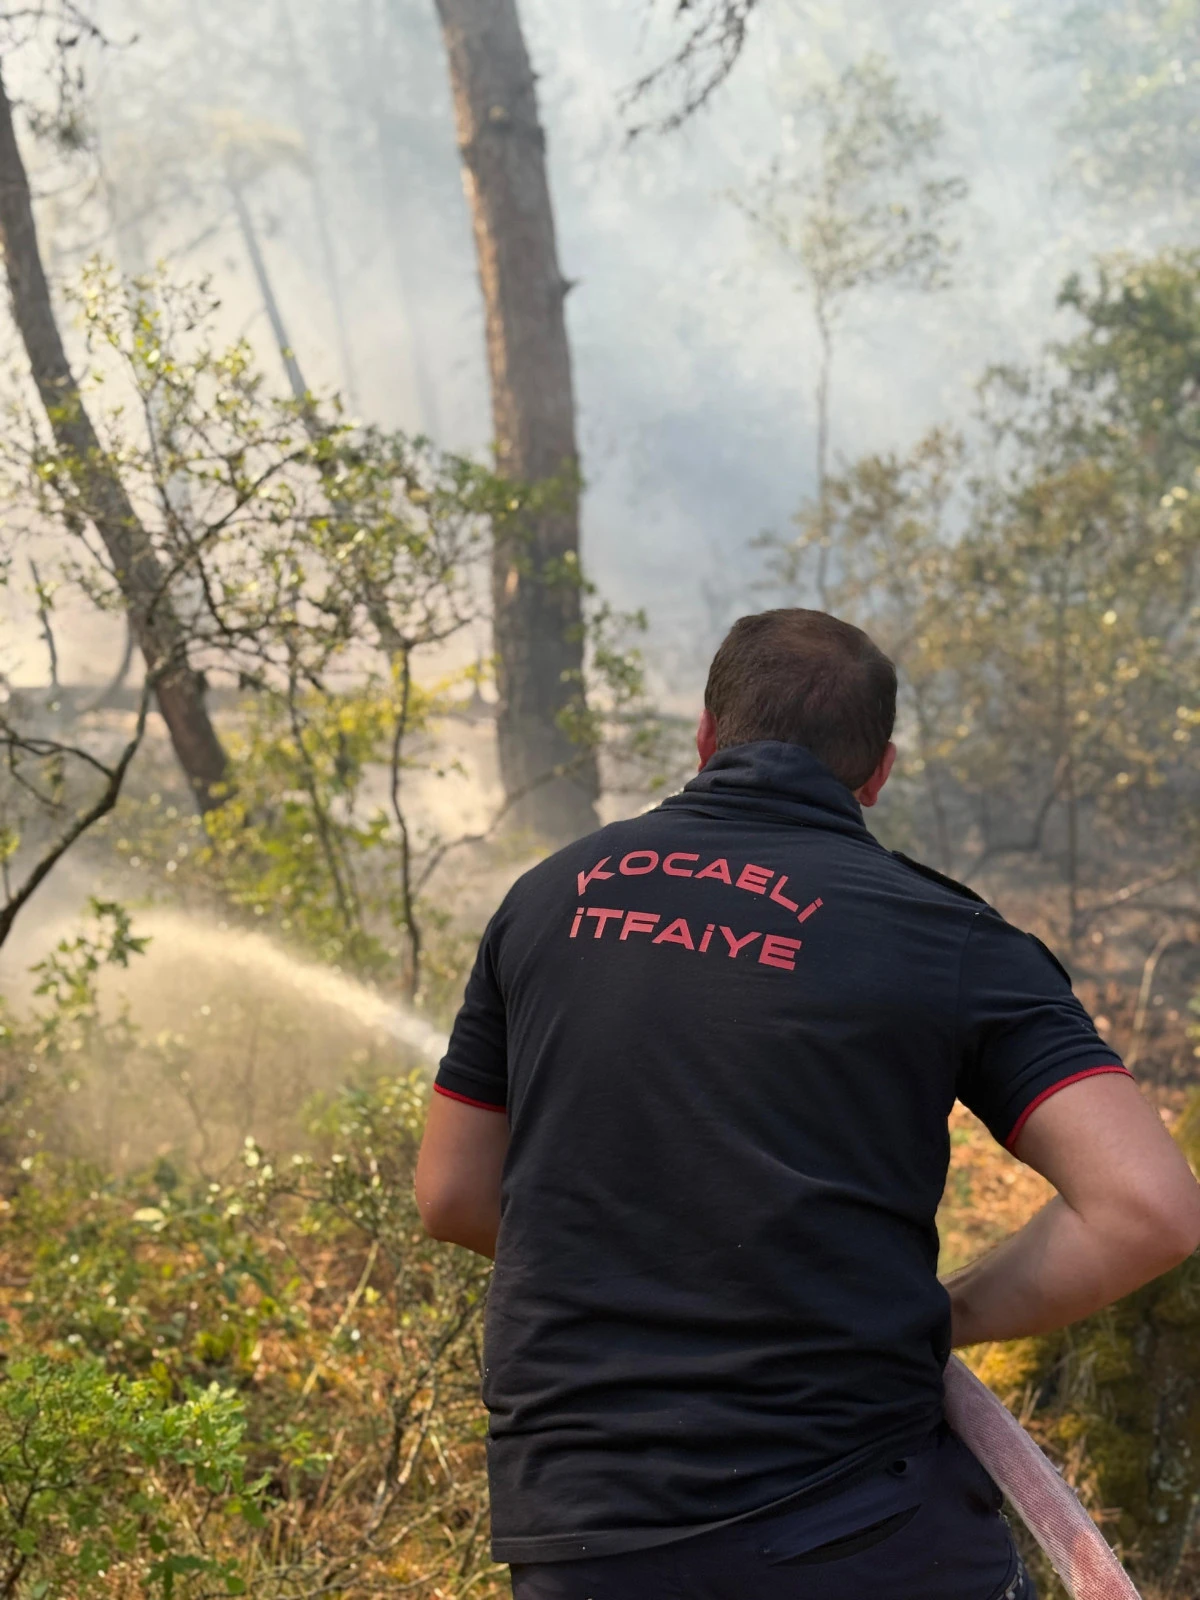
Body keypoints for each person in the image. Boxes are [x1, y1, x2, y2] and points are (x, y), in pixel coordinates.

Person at [415, 608, 1200, 1600]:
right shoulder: (944, 936)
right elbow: (1150, 1209)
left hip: (582, 1537)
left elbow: (450, 1192)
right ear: (879, 771)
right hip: (853, 1531)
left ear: (706, 735)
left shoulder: (546, 896)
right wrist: (938, 1315)